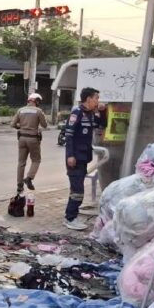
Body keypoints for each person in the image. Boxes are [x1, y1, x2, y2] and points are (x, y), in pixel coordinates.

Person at [63, 87, 104, 230]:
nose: (97, 101)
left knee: (77, 188)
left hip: (83, 157)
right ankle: (70, 218)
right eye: (96, 98)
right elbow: (69, 136)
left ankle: (71, 215)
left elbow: (101, 125)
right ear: (88, 99)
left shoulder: (91, 114)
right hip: (75, 158)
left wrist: (102, 111)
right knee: (77, 190)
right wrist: (70, 155)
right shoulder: (77, 113)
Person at [11, 92, 47, 192]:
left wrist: (20, 127)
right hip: (33, 139)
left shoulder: (20, 110)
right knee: (36, 160)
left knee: (21, 162)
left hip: (22, 138)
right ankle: (29, 178)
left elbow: (13, 124)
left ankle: (19, 185)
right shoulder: (38, 111)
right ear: (36, 101)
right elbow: (44, 125)